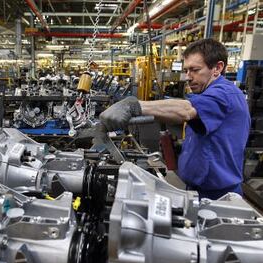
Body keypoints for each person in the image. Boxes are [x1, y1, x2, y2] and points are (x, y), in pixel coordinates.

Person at [99, 38, 251, 200]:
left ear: (217, 68)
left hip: (218, 197)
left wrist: (133, 106)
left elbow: (186, 109)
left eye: (195, 70)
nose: (187, 77)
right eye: (186, 70)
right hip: (198, 190)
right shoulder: (210, 94)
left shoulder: (224, 94)